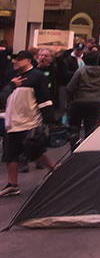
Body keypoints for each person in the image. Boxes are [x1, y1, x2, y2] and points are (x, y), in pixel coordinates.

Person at [1, 50, 58, 197]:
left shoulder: (37, 76)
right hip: (11, 121)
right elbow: (6, 95)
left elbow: (44, 99)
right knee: (10, 154)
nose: (15, 62)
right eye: (15, 60)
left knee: (34, 152)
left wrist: (48, 120)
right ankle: (12, 184)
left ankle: (55, 170)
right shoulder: (11, 76)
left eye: (19, 60)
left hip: (29, 122)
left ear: (28, 60)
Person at [66, 48, 100, 148]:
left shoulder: (80, 71)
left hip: (78, 102)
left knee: (74, 128)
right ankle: (86, 150)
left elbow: (70, 87)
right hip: (95, 103)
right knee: (91, 129)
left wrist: (71, 99)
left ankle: (75, 149)